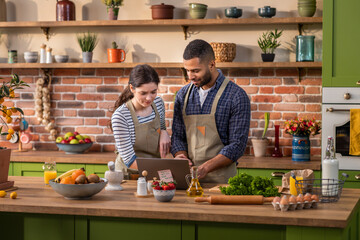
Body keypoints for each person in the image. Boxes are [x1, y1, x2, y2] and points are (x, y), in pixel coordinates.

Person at [171, 39, 251, 183]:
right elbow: (178, 137)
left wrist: (205, 168)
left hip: (222, 182)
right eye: (187, 70)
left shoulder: (236, 96)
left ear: (212, 64)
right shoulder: (182, 95)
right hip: (189, 180)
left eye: (196, 71)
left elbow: (237, 146)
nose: (190, 76)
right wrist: (180, 156)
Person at [110, 64, 171, 173]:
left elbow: (161, 127)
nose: (149, 98)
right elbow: (129, 161)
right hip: (129, 176)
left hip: (153, 172)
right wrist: (165, 167)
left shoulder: (158, 103)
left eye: (153, 92)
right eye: (143, 93)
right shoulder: (121, 116)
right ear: (132, 88)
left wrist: (164, 132)